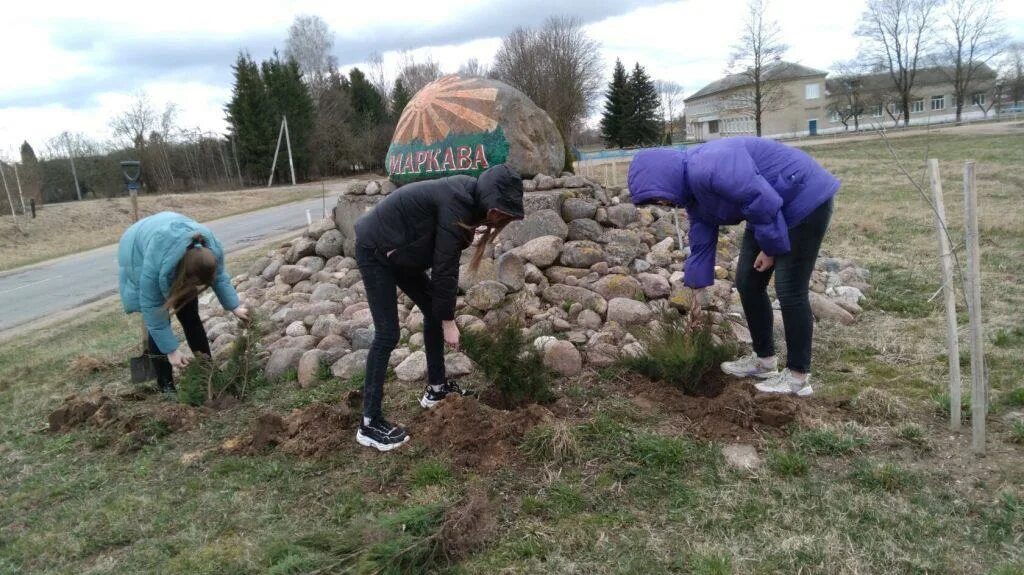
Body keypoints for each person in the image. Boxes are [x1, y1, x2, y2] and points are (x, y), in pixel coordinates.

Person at [627, 137, 839, 397]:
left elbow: (760, 198)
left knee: (789, 289)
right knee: (748, 283)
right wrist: (695, 290)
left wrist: (770, 249)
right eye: (653, 202)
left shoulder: (710, 165)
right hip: (767, 208)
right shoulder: (692, 193)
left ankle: (797, 378)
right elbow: (702, 238)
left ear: (664, 176)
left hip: (802, 199)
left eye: (657, 198)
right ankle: (764, 362)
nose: (660, 205)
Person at [352, 164, 525, 451]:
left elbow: (444, 263)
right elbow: (444, 267)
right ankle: (369, 424)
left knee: (434, 308)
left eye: (505, 214)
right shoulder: (457, 201)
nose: (499, 217)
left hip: (399, 251)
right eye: (499, 210)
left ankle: (436, 390)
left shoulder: (469, 198)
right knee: (387, 334)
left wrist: (443, 314)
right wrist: (448, 322)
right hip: (376, 249)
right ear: (489, 198)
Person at [118, 211, 249, 394]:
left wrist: (234, 306)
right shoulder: (154, 266)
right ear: (183, 276)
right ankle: (166, 386)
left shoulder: (210, 250)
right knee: (158, 322)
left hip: (169, 236)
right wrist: (171, 350)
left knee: (190, 316)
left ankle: (207, 371)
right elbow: (153, 310)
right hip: (135, 248)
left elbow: (219, 278)